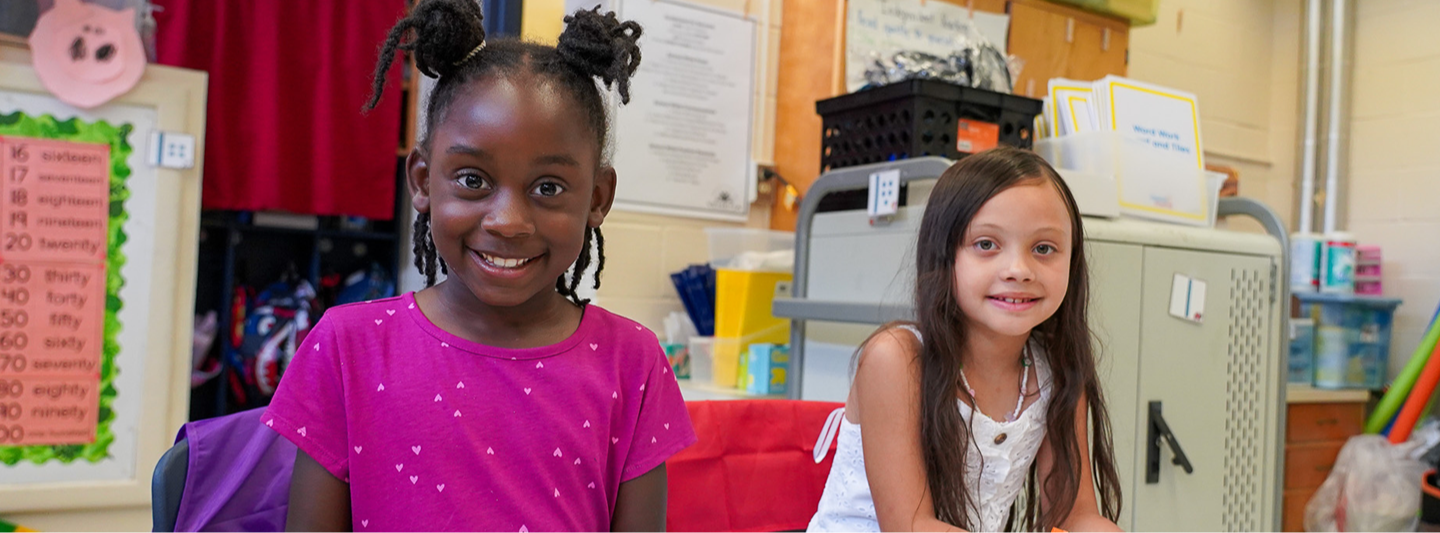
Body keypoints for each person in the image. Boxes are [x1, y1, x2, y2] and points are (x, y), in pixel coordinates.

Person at [264, 2, 696, 531]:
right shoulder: (348, 347)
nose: (509, 221)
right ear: (423, 181)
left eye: (548, 188)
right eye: (473, 180)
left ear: (597, 198)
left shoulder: (634, 363)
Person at [808, 147, 1123, 533]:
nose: (1019, 270)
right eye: (986, 245)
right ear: (945, 256)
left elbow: (1075, 515)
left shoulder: (1056, 370)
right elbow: (911, 526)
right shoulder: (897, 359)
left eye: (1044, 249)